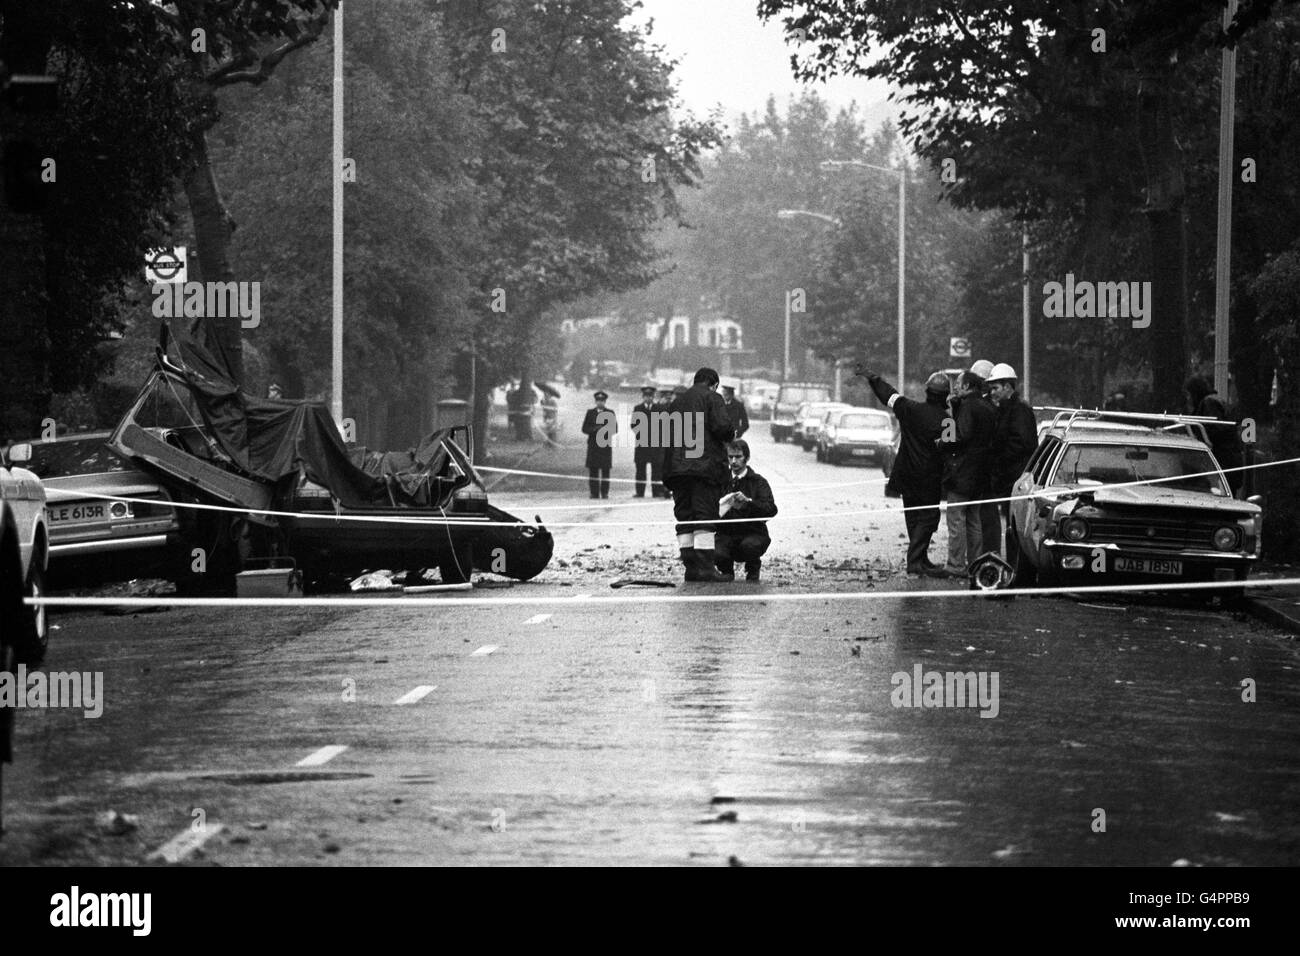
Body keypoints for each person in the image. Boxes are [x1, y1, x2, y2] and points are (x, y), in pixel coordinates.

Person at [857, 365, 949, 575]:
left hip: (907, 476)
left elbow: (889, 396)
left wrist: (874, 378)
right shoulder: (947, 421)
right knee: (928, 518)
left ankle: (921, 558)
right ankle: (915, 560)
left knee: (914, 517)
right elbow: (951, 449)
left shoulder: (910, 409)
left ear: (927, 391)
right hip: (930, 478)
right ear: (946, 395)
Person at [662, 367, 735, 582]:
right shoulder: (713, 398)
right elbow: (723, 428)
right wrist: (731, 432)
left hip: (677, 469)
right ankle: (705, 568)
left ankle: (691, 568)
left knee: (684, 516)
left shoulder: (676, 403)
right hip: (704, 468)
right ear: (714, 384)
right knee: (704, 516)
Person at [939, 370, 996, 575]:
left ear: (967, 386)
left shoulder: (968, 407)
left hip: (963, 472)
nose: (955, 387)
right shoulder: (987, 407)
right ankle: (975, 564)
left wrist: (942, 442)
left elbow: (961, 435)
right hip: (981, 473)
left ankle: (955, 565)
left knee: (956, 520)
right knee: (974, 521)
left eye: (958, 384)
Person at [986, 364, 1038, 551]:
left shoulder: (1019, 411)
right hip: (1010, 479)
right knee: (1010, 527)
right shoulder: (1007, 410)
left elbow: (1020, 444)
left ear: (1008, 387)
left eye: (995, 388)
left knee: (1013, 528)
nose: (992, 393)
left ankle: (1016, 570)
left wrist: (998, 459)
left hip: (1016, 479)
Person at [715, 439, 777, 581]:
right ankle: (726, 571)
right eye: (730, 457)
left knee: (750, 546)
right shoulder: (721, 481)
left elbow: (771, 509)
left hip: (752, 532)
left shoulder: (758, 482)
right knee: (715, 550)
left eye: (738, 457)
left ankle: (753, 566)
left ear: (747, 458)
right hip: (726, 533)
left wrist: (749, 502)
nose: (734, 461)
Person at [1186, 375, 1245, 495]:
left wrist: (1201, 440)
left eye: (1189, 394)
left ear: (1194, 392)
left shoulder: (1209, 403)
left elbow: (1216, 429)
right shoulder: (1211, 402)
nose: (1188, 398)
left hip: (1223, 463)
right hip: (1227, 462)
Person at [581, 390, 617, 499]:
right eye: (598, 400)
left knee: (605, 470)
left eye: (602, 400)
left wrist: (604, 431)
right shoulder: (590, 413)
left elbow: (615, 429)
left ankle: (605, 492)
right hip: (593, 446)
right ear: (595, 401)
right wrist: (594, 429)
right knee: (593, 470)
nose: (600, 402)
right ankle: (594, 492)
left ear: (605, 401)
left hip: (605, 446)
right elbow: (584, 428)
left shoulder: (610, 413)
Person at [632, 385, 659, 497]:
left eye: (650, 396)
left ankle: (656, 492)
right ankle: (640, 492)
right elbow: (634, 425)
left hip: (655, 444)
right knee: (640, 469)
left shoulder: (658, 408)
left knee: (656, 469)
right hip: (642, 443)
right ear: (643, 397)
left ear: (653, 397)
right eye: (646, 396)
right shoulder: (637, 409)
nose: (648, 398)